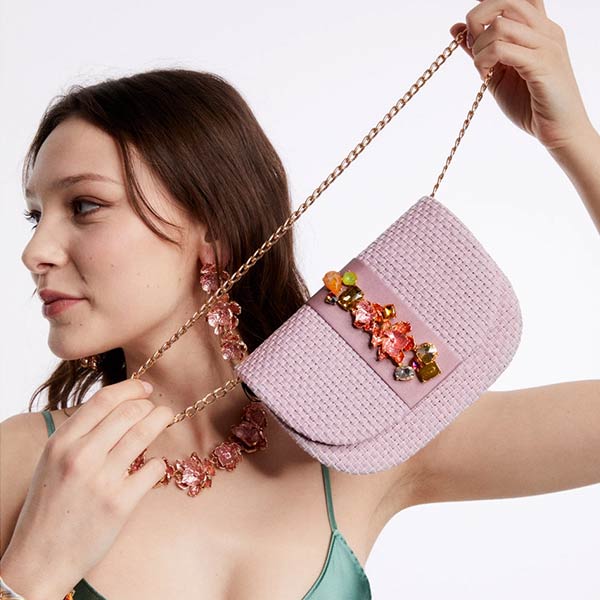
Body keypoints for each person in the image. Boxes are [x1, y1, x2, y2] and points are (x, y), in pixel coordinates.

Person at [1, 1, 598, 598]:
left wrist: (573, 137)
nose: (35, 252)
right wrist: (32, 574)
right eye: (35, 216)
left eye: (84, 206)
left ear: (212, 229)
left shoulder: (365, 437)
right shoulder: (27, 464)